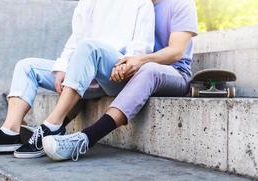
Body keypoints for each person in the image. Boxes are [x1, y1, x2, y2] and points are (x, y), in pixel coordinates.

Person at [0, 0, 155, 158]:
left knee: (89, 47)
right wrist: (62, 68)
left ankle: (53, 126)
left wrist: (123, 68)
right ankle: (10, 132)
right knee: (26, 66)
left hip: (114, 74)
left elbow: (141, 49)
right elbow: (75, 40)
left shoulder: (141, 4)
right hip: (83, 74)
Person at [42, 0, 198, 161]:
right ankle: (52, 129)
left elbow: (176, 52)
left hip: (176, 73)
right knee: (88, 68)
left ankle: (85, 139)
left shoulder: (181, 3)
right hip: (139, 70)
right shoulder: (137, 5)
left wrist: (139, 60)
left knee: (148, 70)